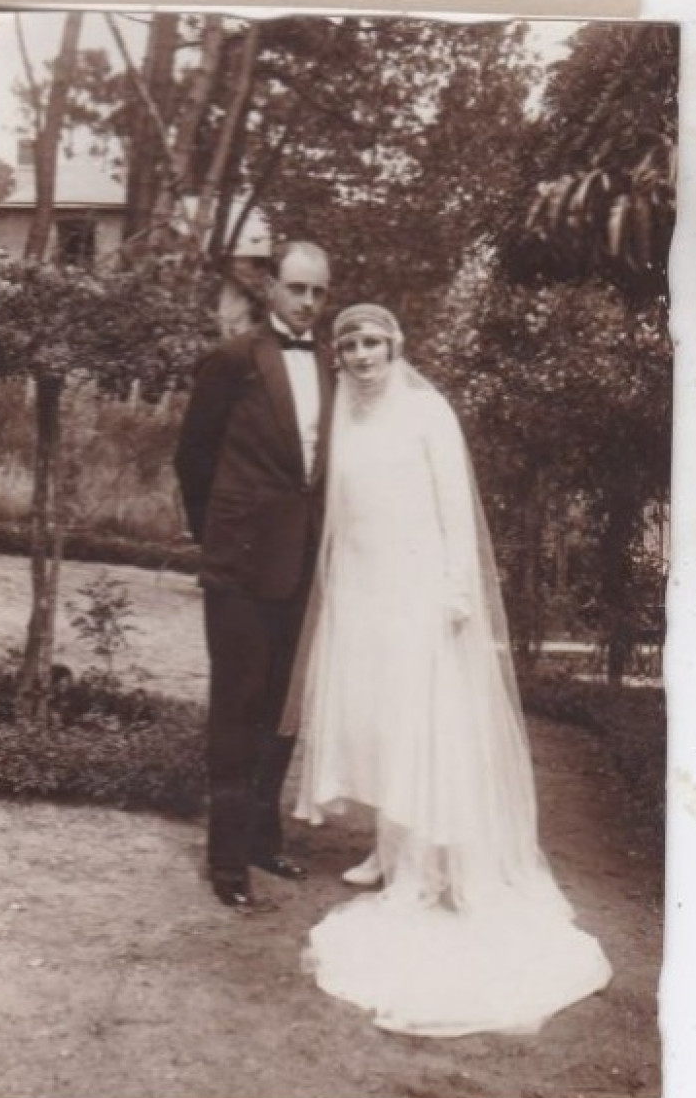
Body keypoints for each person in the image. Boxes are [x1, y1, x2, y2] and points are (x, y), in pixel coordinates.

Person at [283, 304, 612, 1034]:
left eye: (372, 343)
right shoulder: (344, 417)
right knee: (370, 717)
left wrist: (457, 588)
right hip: (363, 588)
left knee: (414, 719)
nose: (361, 356)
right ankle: (384, 843)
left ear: (394, 345)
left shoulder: (428, 412)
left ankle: (419, 862)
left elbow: (452, 508)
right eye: (349, 346)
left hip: (418, 588)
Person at [175, 242, 334, 912]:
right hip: (240, 562)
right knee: (238, 705)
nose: (307, 302)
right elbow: (193, 456)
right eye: (297, 288)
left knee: (280, 708)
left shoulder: (331, 365)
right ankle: (225, 860)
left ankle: (263, 840)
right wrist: (219, 535)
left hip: (302, 563)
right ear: (271, 288)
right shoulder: (235, 358)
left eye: (318, 292)